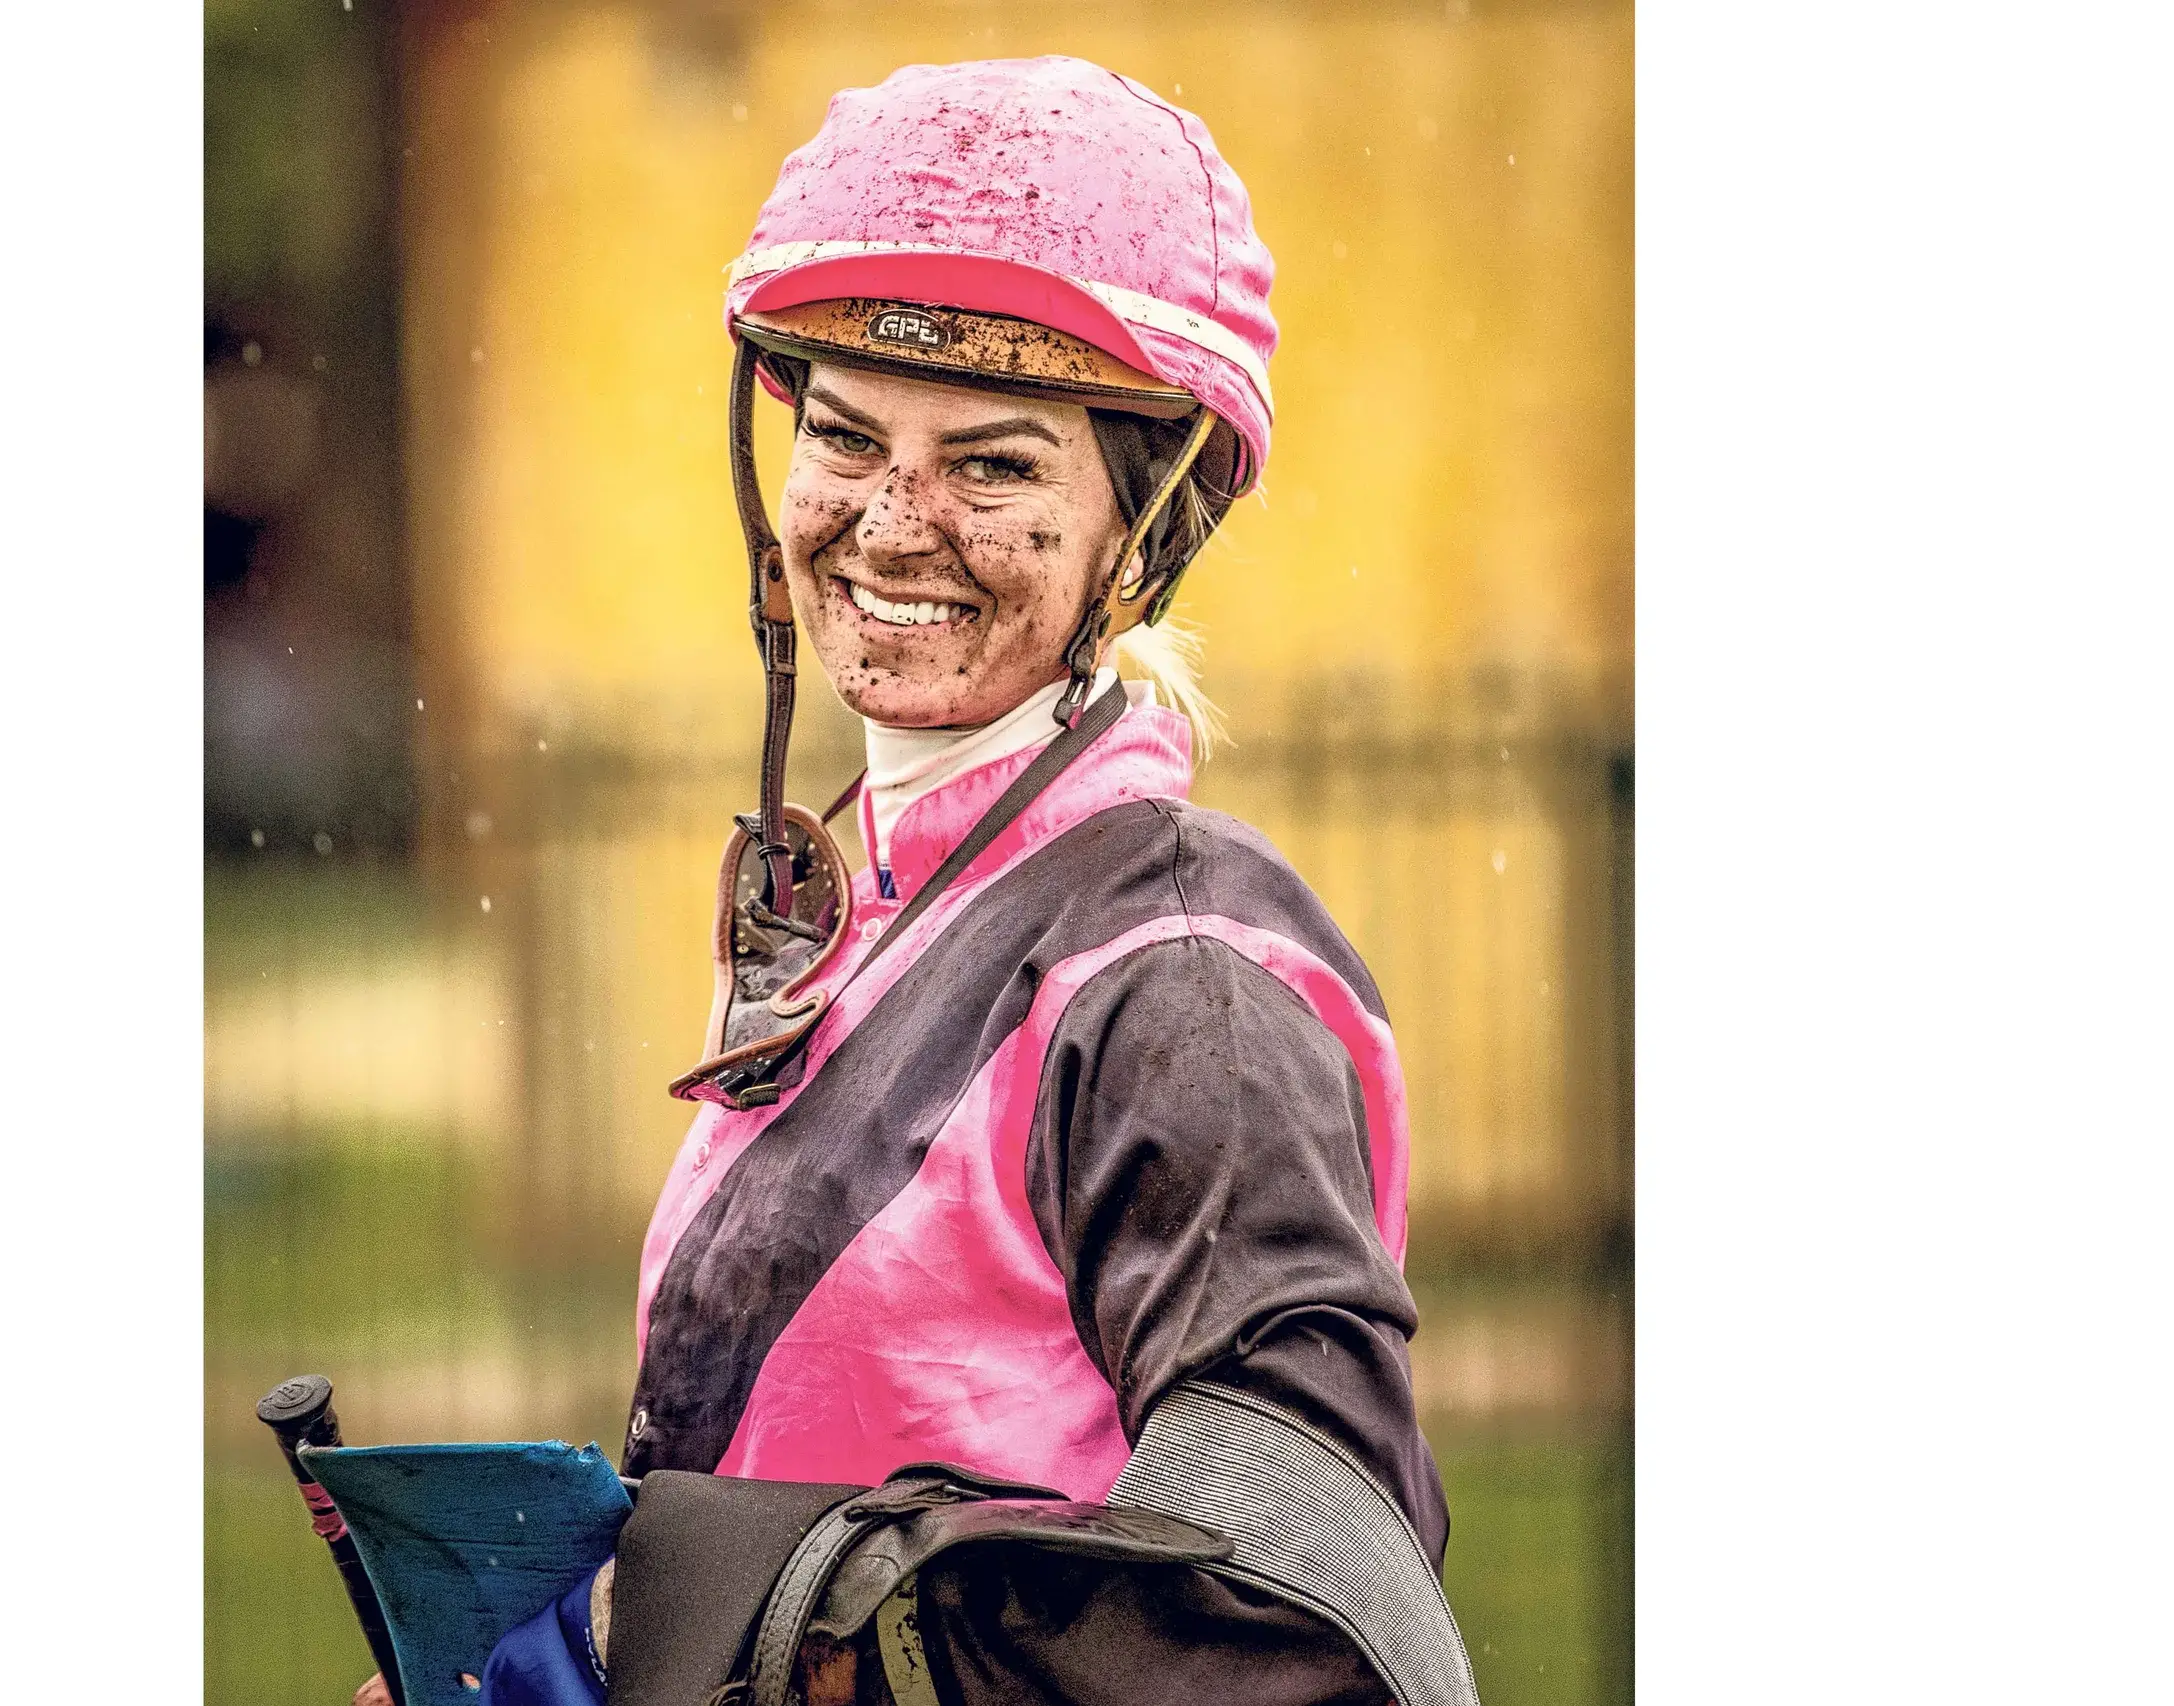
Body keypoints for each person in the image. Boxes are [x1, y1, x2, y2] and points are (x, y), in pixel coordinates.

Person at [358, 54, 1474, 1706]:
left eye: (995, 465)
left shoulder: (1182, 985)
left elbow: (1305, 1629)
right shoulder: (891, 905)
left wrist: (666, 1631)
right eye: (842, 435)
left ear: (1143, 519)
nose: (890, 523)